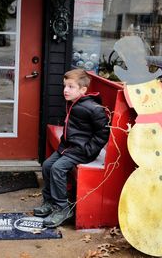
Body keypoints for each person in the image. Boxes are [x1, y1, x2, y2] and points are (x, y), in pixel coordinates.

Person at [34, 68, 110, 228]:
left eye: (70, 87)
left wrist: (89, 150)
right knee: (47, 165)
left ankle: (63, 208)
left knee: (57, 168)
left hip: (82, 151)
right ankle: (49, 201)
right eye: (64, 86)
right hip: (68, 147)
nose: (65, 90)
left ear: (83, 90)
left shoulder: (93, 108)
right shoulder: (73, 103)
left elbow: (103, 133)